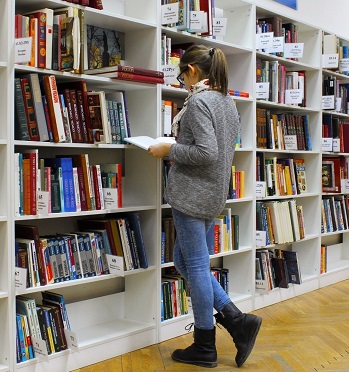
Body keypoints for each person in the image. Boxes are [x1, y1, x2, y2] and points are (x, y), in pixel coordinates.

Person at [148, 45, 262, 368]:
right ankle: (237, 320)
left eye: (182, 75)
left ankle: (205, 344)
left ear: (193, 72)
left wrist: (169, 149)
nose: (182, 81)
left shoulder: (198, 102)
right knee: (183, 261)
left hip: (192, 196)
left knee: (195, 266)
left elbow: (207, 153)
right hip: (212, 196)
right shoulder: (226, 101)